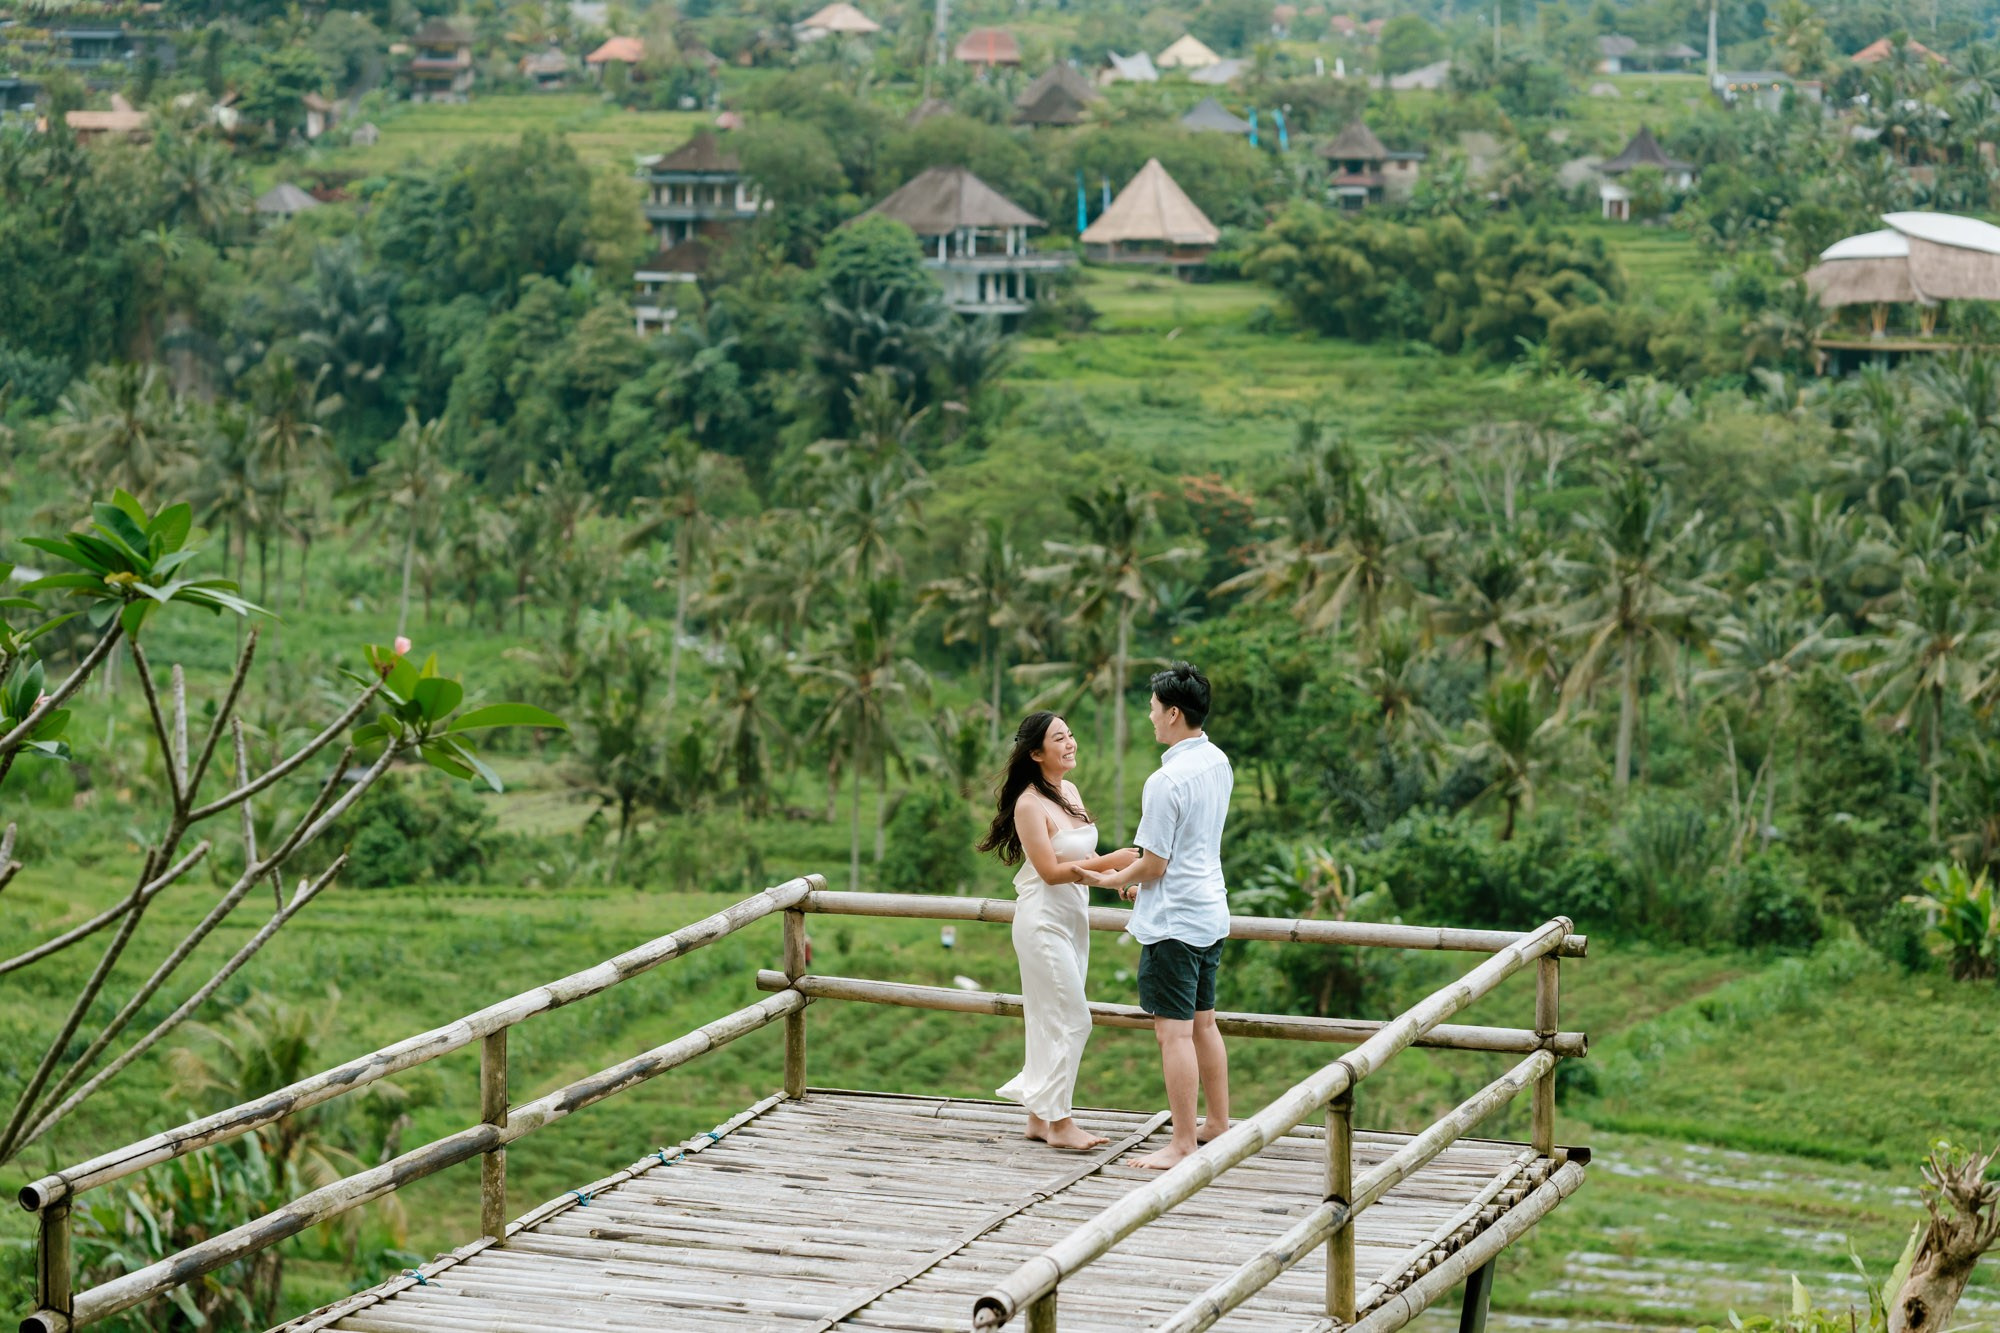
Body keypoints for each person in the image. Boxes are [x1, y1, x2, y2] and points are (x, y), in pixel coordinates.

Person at [1078, 663, 1232, 1170]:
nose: (1148, 718)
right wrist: (1141, 877)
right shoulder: (1217, 761)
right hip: (1210, 912)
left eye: (1151, 709)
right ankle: (1217, 1123)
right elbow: (1184, 851)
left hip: (1174, 924)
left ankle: (1183, 1142)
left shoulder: (1165, 780)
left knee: (1174, 1033)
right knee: (1204, 1024)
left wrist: (1109, 879)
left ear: (1172, 712)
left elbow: (1154, 863)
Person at [978, 711, 1141, 1151]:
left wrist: (1121, 876)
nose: (1070, 742)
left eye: (1070, 734)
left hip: (1074, 919)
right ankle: (1062, 1124)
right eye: (1058, 738)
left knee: (1050, 1018)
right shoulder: (1029, 804)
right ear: (1036, 753)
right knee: (1074, 1019)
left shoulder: (1068, 790)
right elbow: (1050, 871)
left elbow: (1085, 858)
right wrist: (1115, 861)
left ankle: (1038, 1117)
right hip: (1043, 921)